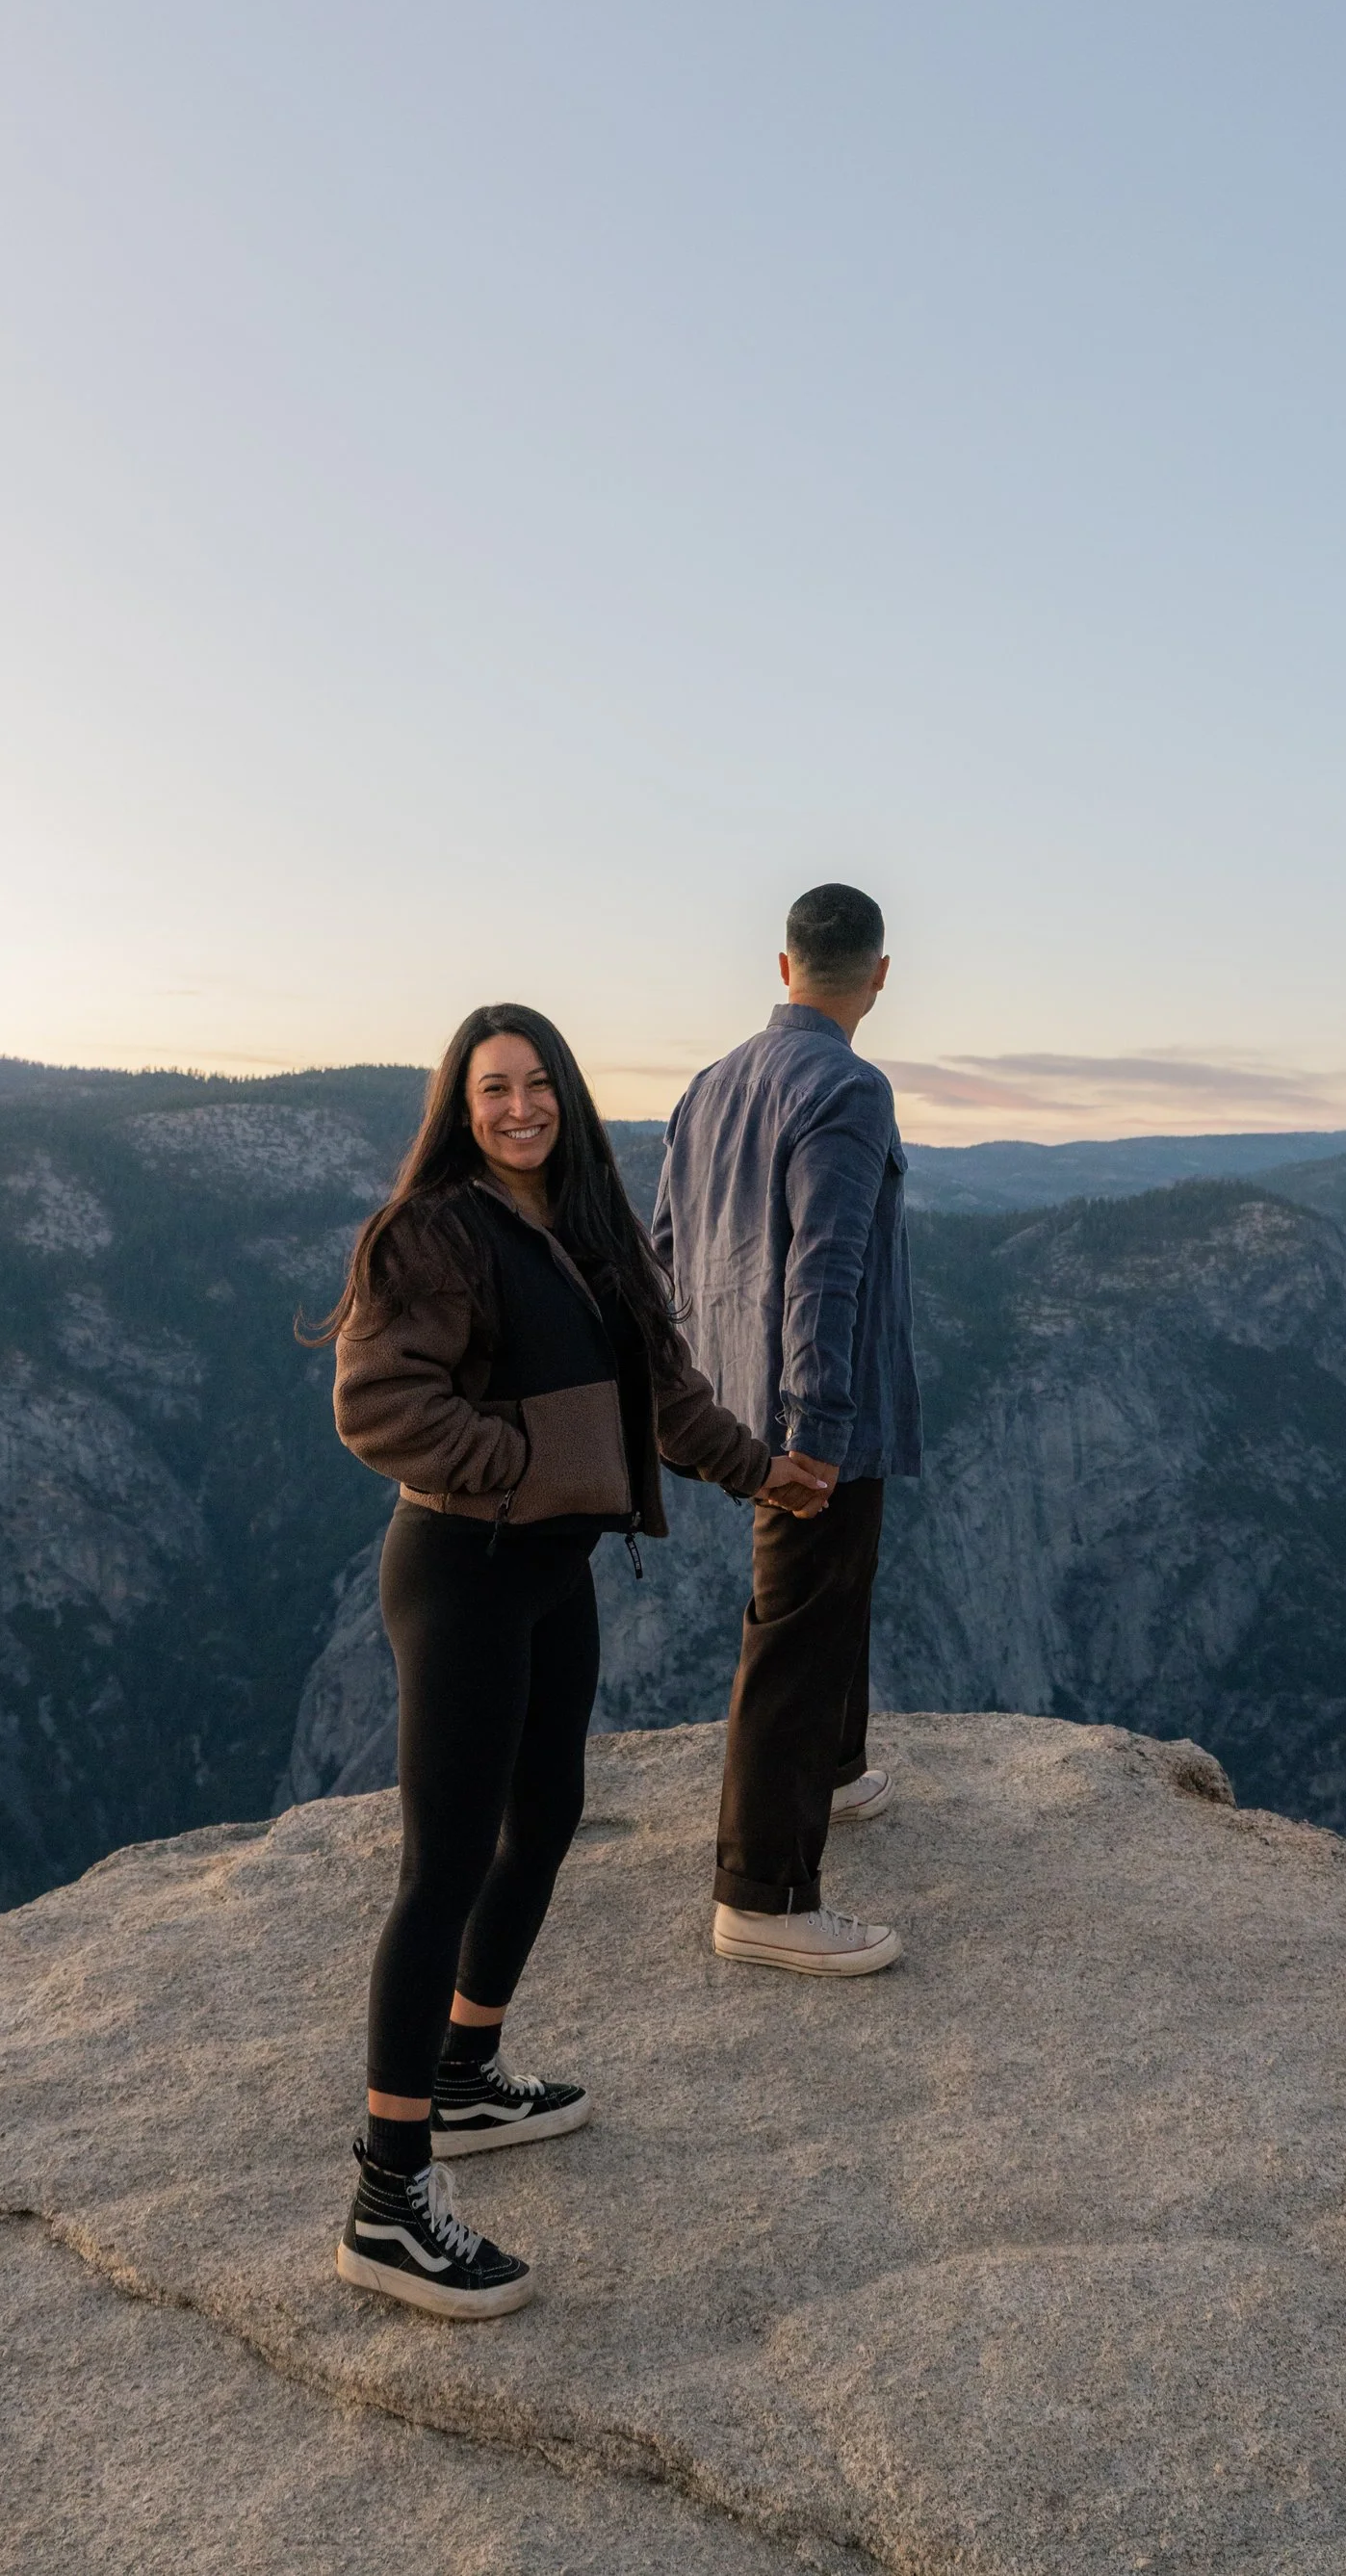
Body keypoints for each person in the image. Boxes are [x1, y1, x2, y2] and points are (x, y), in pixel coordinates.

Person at [313, 1001, 828, 2319]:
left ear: (569, 1096)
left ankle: (468, 2072)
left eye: (538, 1084)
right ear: (460, 1104)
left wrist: (763, 1471)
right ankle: (386, 2197)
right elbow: (377, 1403)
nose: (520, 1107)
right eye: (494, 1089)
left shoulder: (590, 1233)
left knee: (544, 1821)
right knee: (442, 1868)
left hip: (549, 1571)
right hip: (464, 1571)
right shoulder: (431, 1233)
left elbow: (665, 1398)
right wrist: (525, 1469)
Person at [653, 883, 921, 1974]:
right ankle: (763, 1895)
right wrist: (811, 1428)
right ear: (881, 974)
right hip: (813, 1408)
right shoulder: (848, 1088)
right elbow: (828, 1263)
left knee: (830, 1585)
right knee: (795, 1620)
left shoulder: (708, 1086)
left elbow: (659, 1247)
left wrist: (694, 1396)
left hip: (727, 1394)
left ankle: (837, 1769)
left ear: (782, 966)